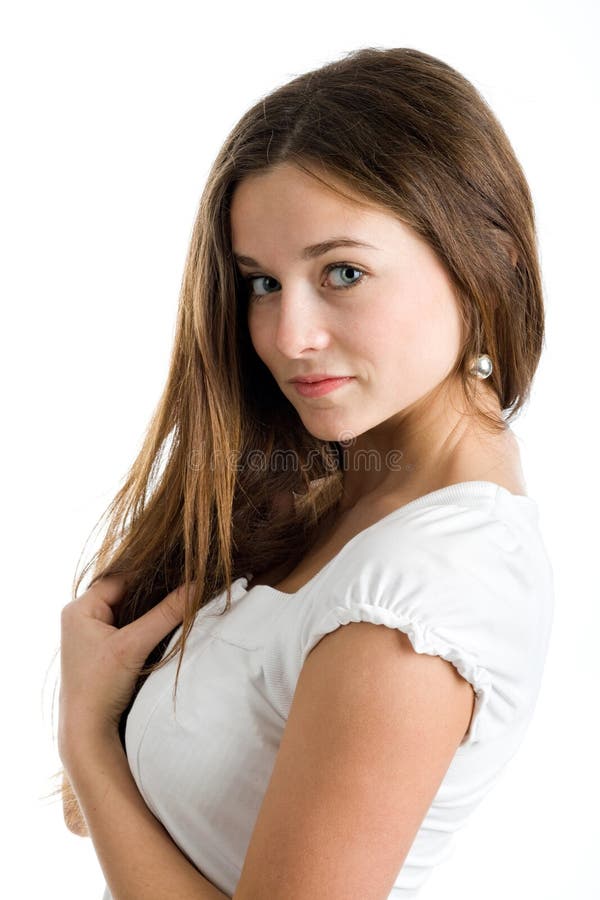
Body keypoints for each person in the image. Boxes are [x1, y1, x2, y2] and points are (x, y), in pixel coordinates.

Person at [55, 47, 554, 899]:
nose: (289, 337)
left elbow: (97, 800)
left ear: (491, 259)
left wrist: (88, 740)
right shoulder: (333, 491)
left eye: (344, 273)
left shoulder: (423, 593)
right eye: (261, 283)